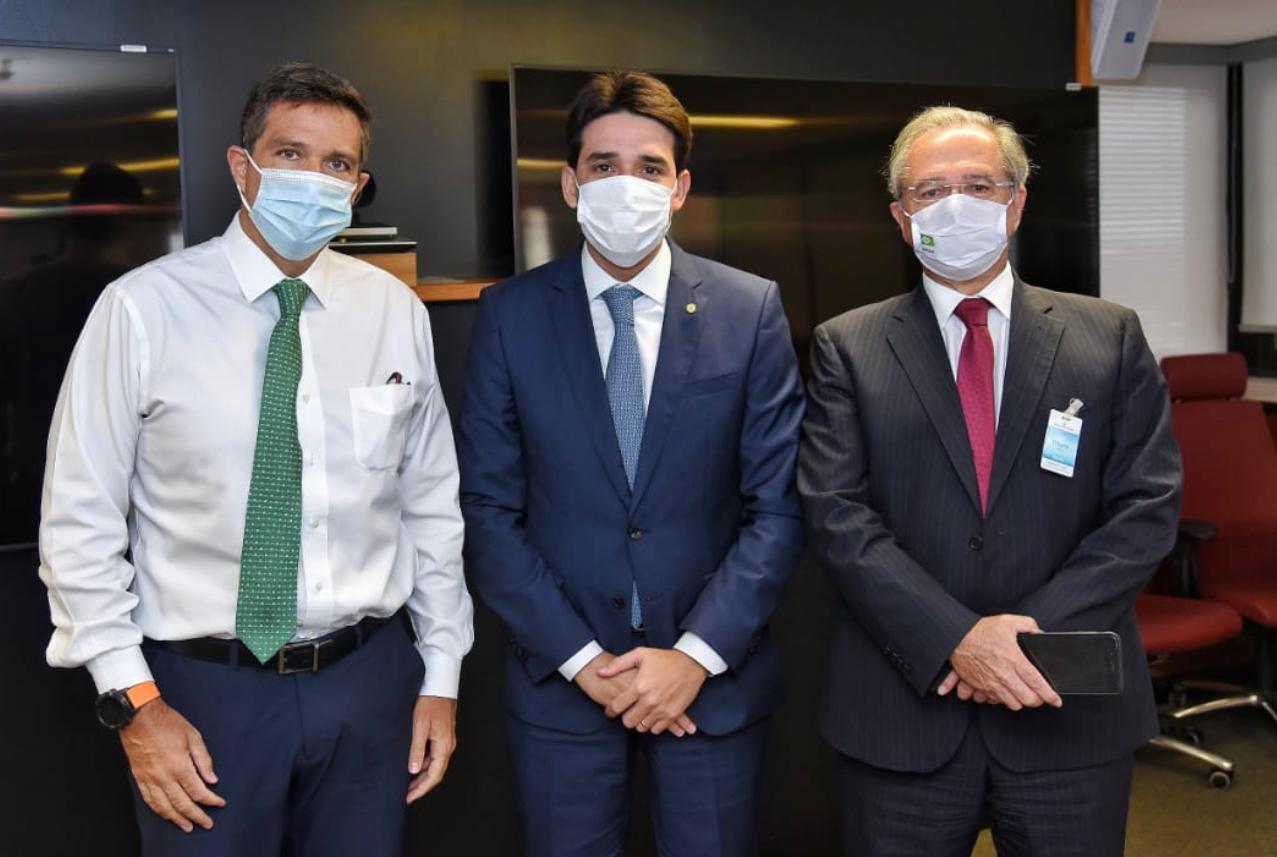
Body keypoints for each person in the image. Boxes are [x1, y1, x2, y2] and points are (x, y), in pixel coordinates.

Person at [38, 62, 473, 857]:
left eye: (337, 164)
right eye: (291, 154)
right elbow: (77, 523)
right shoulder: (141, 309)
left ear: (358, 184)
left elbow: (431, 509)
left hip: (368, 683)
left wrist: (439, 675)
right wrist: (134, 704)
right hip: (203, 694)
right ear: (243, 168)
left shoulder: (393, 313)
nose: (314, 178)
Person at [798, 105, 1182, 857]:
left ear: (1016, 203)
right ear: (900, 218)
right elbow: (835, 514)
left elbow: (1146, 505)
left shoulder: (1108, 335)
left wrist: (1019, 644)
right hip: (901, 716)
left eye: (978, 184)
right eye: (930, 189)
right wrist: (956, 639)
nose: (955, 203)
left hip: (1064, 711)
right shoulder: (847, 345)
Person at [459, 70, 804, 857]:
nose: (627, 184)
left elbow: (777, 509)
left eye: (648, 167)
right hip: (564, 681)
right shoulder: (511, 315)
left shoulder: (748, 310)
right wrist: (585, 662)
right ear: (570, 184)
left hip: (710, 684)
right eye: (604, 165)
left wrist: (692, 656)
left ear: (679, 187)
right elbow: (487, 510)